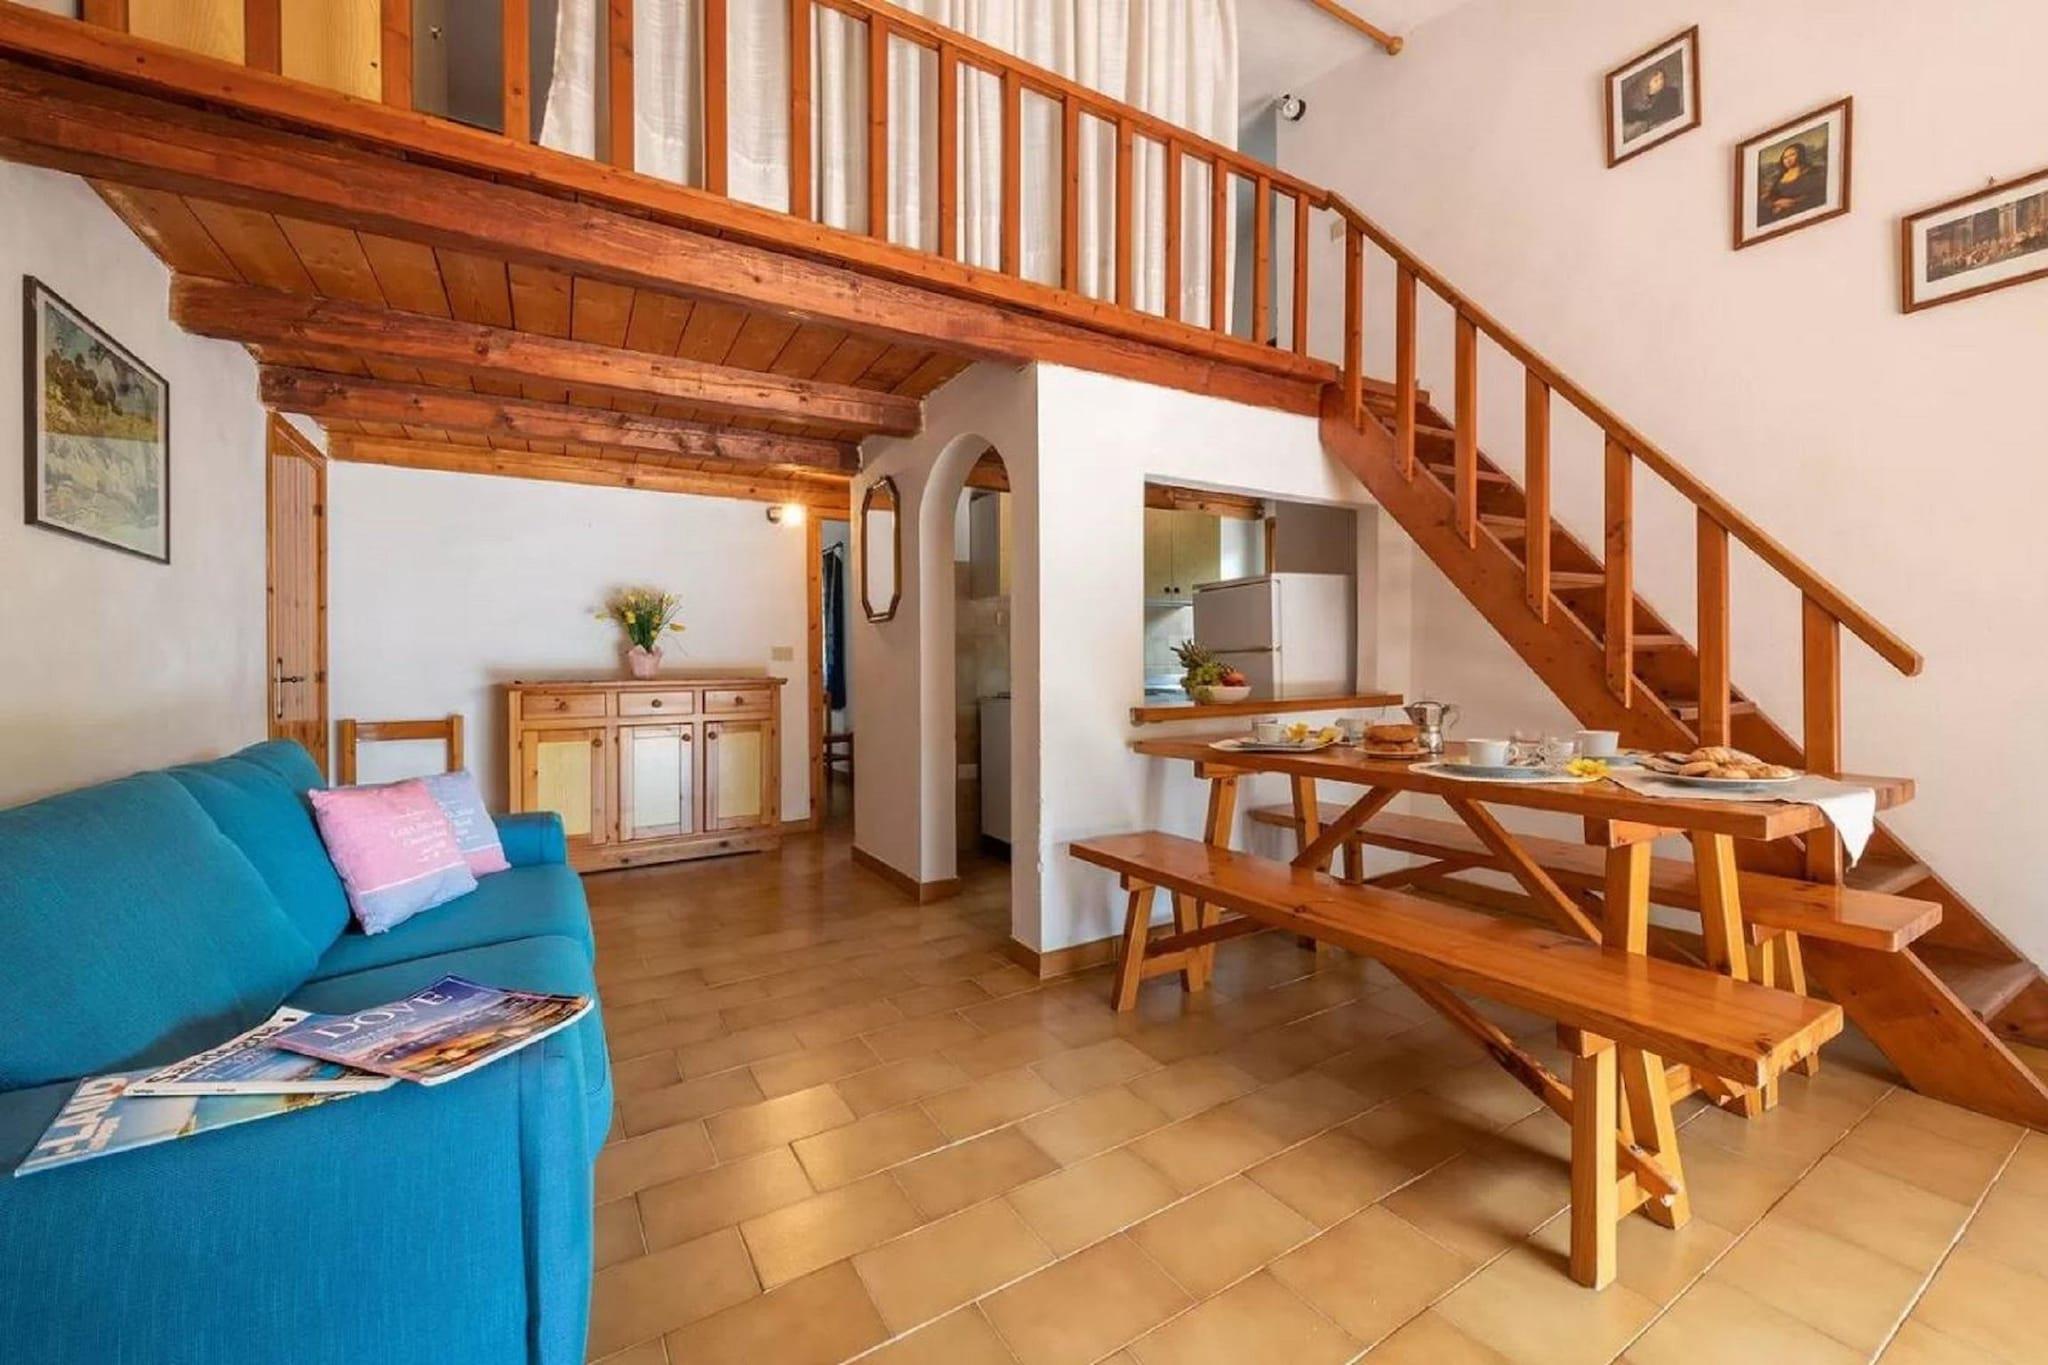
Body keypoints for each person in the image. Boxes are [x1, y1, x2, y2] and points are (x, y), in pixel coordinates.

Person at [1760, 140, 1828, 225]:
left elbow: (1819, 192)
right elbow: (1770, 196)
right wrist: (1775, 204)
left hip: (1804, 211)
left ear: (1800, 155)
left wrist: (1795, 202)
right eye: (1785, 157)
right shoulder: (1779, 178)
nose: (1788, 159)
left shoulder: (1812, 171)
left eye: (1792, 155)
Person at [1621, 64, 1683, 141]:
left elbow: (1658, 114)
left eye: (1662, 78)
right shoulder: (1638, 97)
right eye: (1656, 80)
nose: (1661, 82)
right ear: (1647, 83)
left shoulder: (1670, 92)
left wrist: (1638, 116)